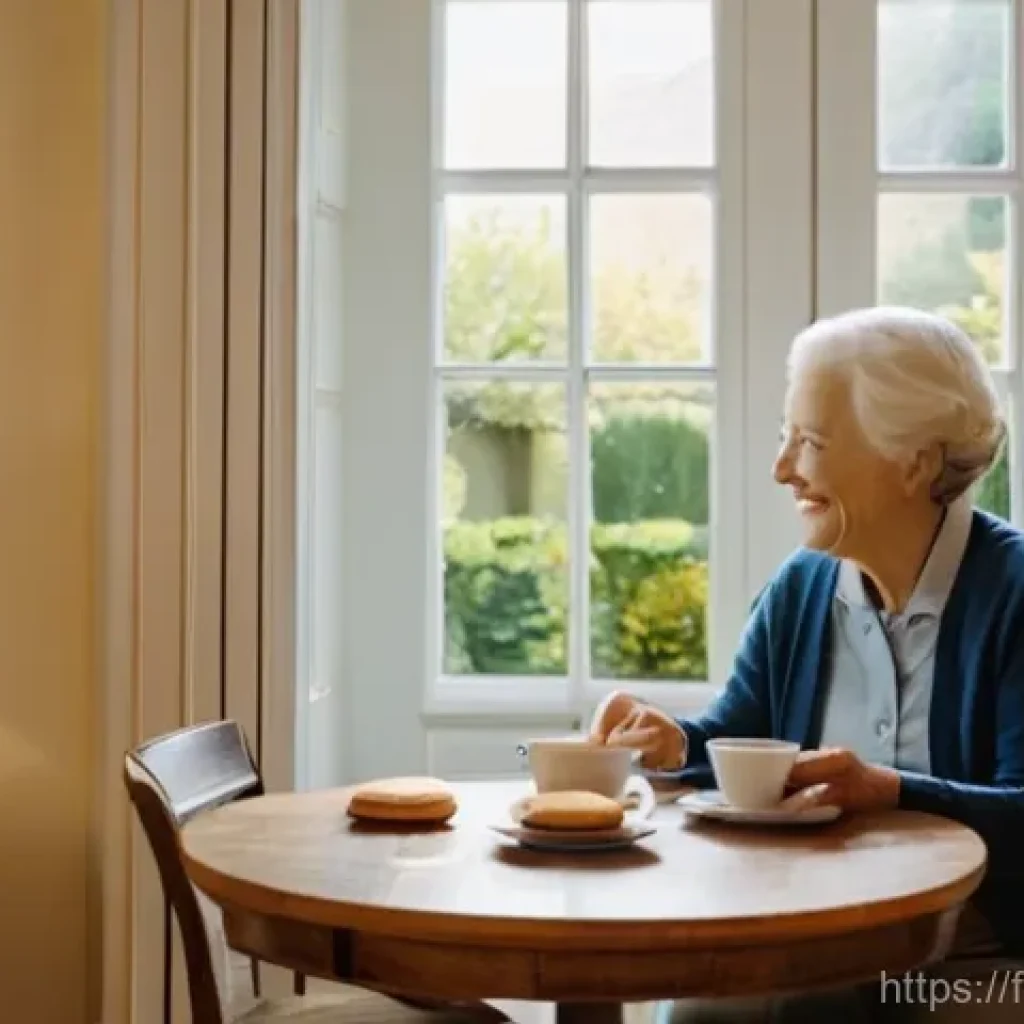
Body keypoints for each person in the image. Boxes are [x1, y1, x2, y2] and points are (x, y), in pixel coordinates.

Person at [590, 307, 1024, 1021]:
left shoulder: (1014, 595)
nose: (783, 469)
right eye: (785, 438)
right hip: (817, 933)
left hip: (980, 957)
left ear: (912, 461)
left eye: (811, 442)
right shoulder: (803, 587)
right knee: (703, 1011)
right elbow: (743, 738)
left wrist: (888, 790)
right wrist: (674, 745)